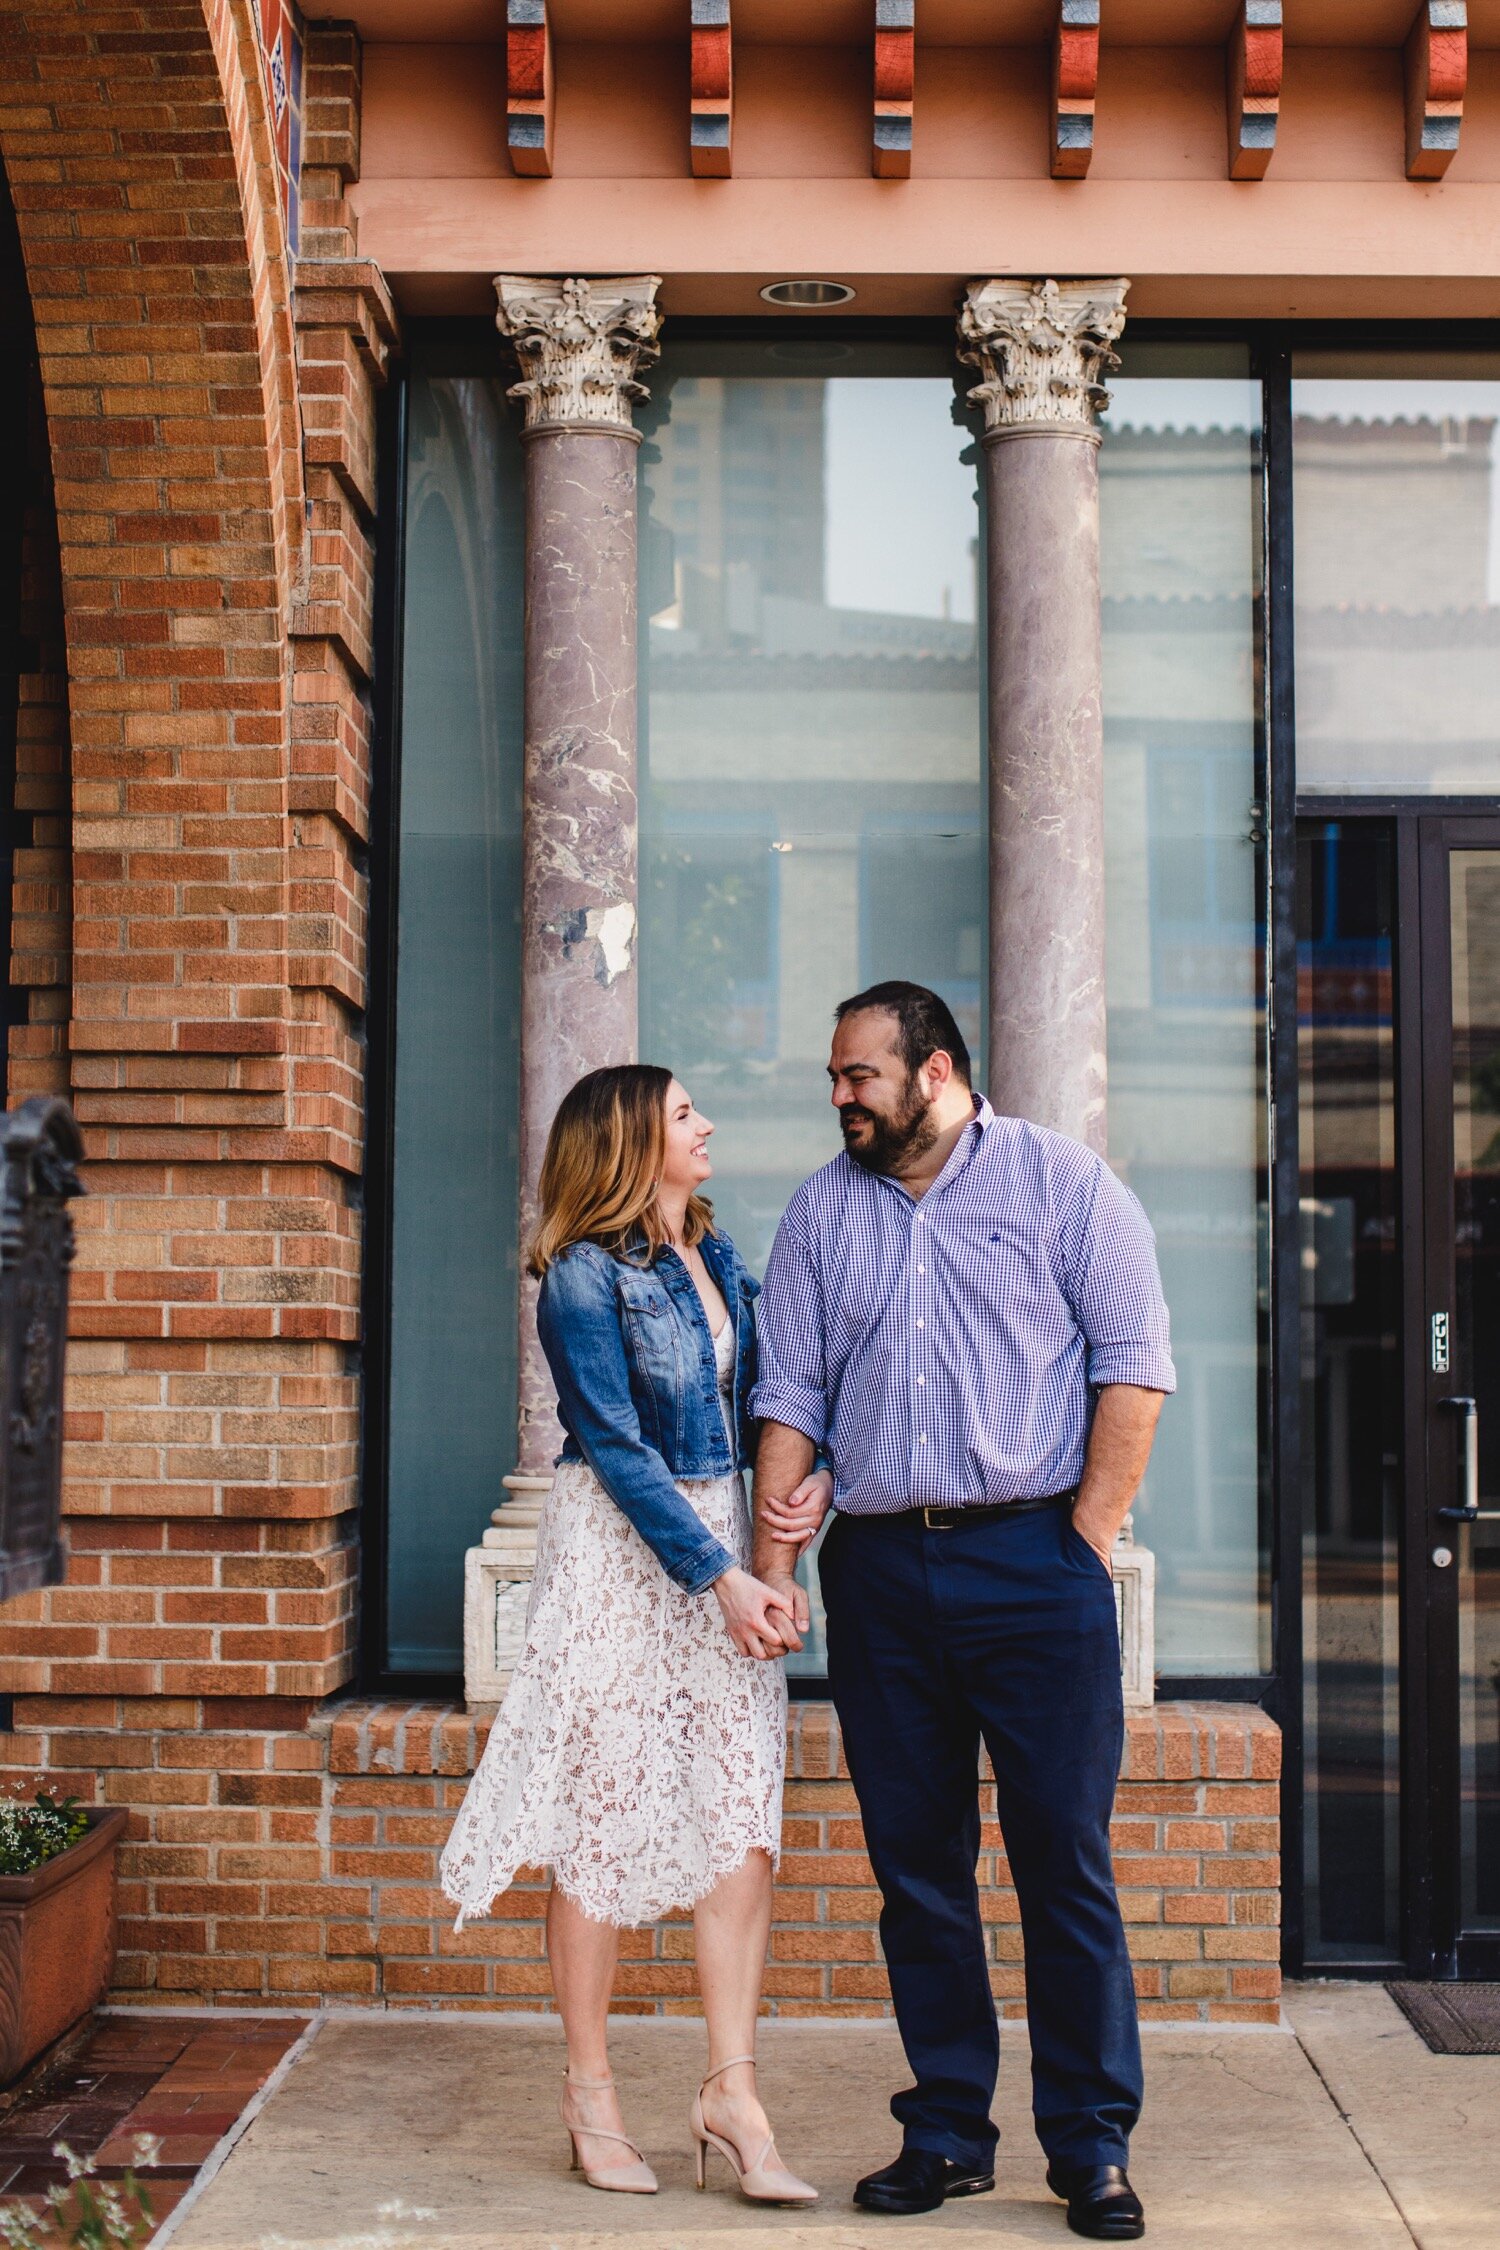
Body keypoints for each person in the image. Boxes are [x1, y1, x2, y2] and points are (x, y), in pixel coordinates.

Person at [742, 981, 1174, 2242]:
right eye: (836, 1077)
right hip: (879, 1574)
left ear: (934, 1072)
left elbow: (1133, 1367)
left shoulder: (1064, 1185)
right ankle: (945, 2132)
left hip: (1035, 1567)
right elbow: (793, 1395)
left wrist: (1081, 1541)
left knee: (1063, 1866)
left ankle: (1089, 2146)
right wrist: (777, 1567)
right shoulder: (825, 1211)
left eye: (858, 1076)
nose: (839, 1098)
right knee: (918, 1874)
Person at [439, 1064, 819, 2206]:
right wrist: (720, 1577)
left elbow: (772, 1404)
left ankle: (732, 2097)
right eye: (688, 1113)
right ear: (630, 1139)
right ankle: (591, 2093)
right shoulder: (581, 1278)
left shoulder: (722, 1253)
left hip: (722, 1553)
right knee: (602, 1814)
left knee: (739, 1807)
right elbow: (611, 1441)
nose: (708, 1127)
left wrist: (801, 1499)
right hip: (620, 1551)